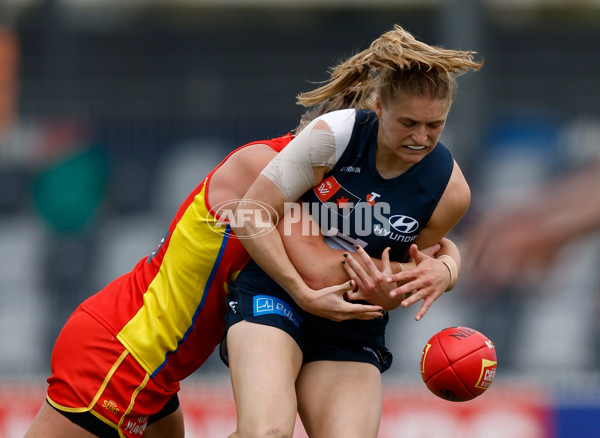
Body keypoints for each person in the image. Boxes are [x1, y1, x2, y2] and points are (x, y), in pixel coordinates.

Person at [24, 132, 388, 438]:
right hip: (122, 351)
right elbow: (323, 268)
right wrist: (424, 270)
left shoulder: (310, 186)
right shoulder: (268, 169)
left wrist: (446, 257)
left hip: (155, 366)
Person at [222, 24, 482, 438]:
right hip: (278, 294)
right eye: (408, 122)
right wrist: (301, 289)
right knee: (264, 433)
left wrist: (442, 273)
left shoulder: (449, 190)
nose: (420, 138)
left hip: (353, 322)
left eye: (435, 125)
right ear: (378, 107)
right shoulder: (334, 137)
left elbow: (412, 264)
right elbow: (251, 214)